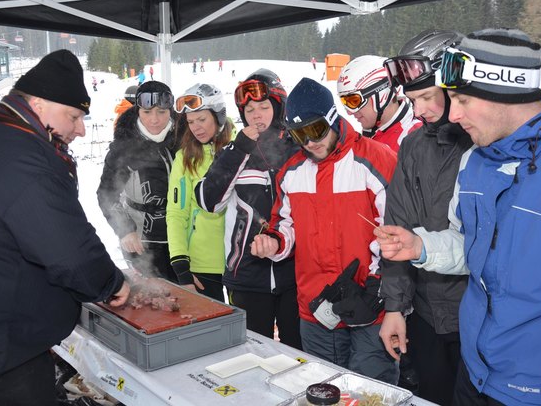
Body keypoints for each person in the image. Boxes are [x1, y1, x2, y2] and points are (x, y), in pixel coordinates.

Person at [376, 28, 541, 406]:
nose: (451, 113)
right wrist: (421, 247)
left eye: (462, 99)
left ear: (503, 91)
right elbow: (468, 244)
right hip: (476, 370)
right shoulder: (476, 160)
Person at [0, 49, 129, 406]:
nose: (80, 128)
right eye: (73, 116)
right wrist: (110, 283)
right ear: (39, 103)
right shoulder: (20, 154)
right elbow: (67, 249)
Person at [251, 77, 398, 384]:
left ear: (332, 118)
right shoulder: (292, 171)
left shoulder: (374, 159)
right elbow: (284, 224)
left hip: (370, 306)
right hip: (316, 308)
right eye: (299, 135)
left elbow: (396, 231)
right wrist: (274, 243)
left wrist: (377, 285)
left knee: (368, 391)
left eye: (315, 130)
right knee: (323, 390)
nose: (310, 142)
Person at [378, 29, 472, 405]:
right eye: (412, 100)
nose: (417, 111)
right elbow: (397, 231)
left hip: (477, 319)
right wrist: (395, 308)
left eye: (426, 97)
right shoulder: (414, 145)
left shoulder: (488, 142)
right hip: (428, 316)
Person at [194, 69, 302, 348]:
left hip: (295, 276)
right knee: (252, 353)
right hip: (246, 277)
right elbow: (208, 202)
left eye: (264, 107)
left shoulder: (299, 150)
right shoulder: (233, 152)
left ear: (279, 107)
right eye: (250, 109)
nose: (257, 115)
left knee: (297, 352)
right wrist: (240, 148)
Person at [97, 81, 181, 282]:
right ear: (138, 111)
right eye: (147, 112)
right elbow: (106, 194)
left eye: (161, 112)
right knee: (155, 301)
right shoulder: (124, 147)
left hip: (183, 238)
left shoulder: (185, 138)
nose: (154, 120)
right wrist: (125, 231)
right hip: (143, 239)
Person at [166, 83, 233, 301]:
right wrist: (181, 266)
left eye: (201, 119)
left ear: (218, 116)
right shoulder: (185, 158)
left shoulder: (241, 148)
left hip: (242, 263)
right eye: (190, 122)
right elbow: (176, 214)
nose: (196, 127)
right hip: (202, 266)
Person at [337, 59, 421, 152]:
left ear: (381, 96)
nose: (349, 112)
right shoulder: (372, 132)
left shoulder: (414, 141)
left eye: (354, 101)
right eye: (345, 102)